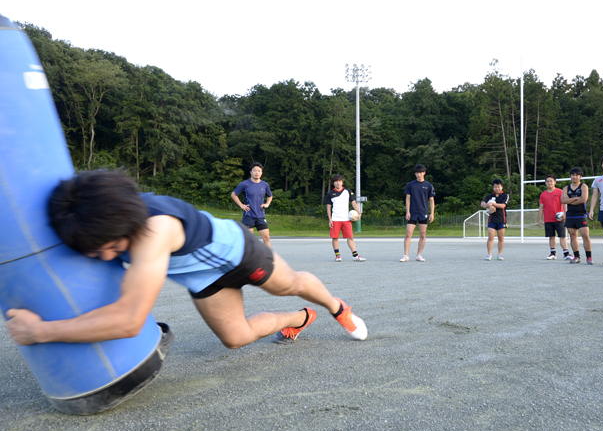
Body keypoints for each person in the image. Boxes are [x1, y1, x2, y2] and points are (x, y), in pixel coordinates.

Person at [5, 170, 367, 348]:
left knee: (290, 285)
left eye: (104, 246)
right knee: (235, 338)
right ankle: (302, 317)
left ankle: (337, 307)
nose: (102, 255)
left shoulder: (154, 230)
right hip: (204, 279)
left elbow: (130, 320)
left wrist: (41, 331)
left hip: (238, 253)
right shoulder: (103, 212)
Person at [324, 174, 365, 262]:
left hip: (346, 219)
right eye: (336, 181)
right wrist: (330, 219)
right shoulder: (330, 193)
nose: (338, 183)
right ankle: (337, 256)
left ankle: (355, 255)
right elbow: (328, 207)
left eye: (340, 181)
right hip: (335, 219)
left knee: (350, 237)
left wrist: (359, 212)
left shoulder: (348, 191)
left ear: (342, 182)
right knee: (335, 238)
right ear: (333, 183)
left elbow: (353, 203)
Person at [231, 162, 273, 248]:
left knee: (266, 238)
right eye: (255, 171)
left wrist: (267, 204)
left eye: (259, 171)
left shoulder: (264, 185)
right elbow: (233, 194)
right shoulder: (244, 184)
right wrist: (241, 205)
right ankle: (247, 259)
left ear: (261, 173)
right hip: (248, 215)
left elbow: (270, 196)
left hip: (260, 215)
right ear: (251, 172)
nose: (257, 172)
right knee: (248, 240)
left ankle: (268, 258)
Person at [400, 164, 435, 262]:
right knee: (408, 234)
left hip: (423, 212)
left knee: (422, 234)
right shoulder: (410, 185)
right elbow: (408, 198)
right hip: (412, 213)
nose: (419, 175)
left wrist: (432, 213)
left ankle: (419, 255)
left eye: (420, 172)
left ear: (424, 173)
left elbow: (431, 200)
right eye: (417, 173)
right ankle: (405, 255)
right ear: (415, 174)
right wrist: (408, 211)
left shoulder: (429, 186)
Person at [561, 167, 592, 264]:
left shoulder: (584, 186)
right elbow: (563, 201)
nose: (574, 177)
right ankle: (576, 256)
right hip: (570, 215)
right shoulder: (566, 188)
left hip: (580, 215)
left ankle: (589, 257)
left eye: (577, 175)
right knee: (572, 236)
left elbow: (583, 200)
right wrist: (576, 199)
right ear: (570, 176)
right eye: (573, 175)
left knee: (585, 235)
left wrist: (569, 200)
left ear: (580, 176)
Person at [537, 174, 571, 261]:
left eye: (551, 181)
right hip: (548, 219)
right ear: (545, 183)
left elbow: (564, 203)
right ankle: (552, 253)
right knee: (551, 236)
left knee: (562, 236)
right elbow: (541, 207)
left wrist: (565, 214)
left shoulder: (560, 192)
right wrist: (540, 219)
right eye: (547, 181)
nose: (549, 183)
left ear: (555, 182)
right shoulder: (543, 194)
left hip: (559, 219)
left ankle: (566, 253)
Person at [481, 178, 509, 261]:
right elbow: (482, 204)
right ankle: (489, 254)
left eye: (499, 187)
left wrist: (493, 204)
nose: (497, 188)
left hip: (501, 220)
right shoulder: (489, 196)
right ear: (493, 187)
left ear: (502, 187)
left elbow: (503, 206)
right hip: (492, 220)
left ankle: (499, 254)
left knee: (501, 237)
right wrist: (489, 206)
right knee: (490, 237)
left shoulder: (505, 196)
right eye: (495, 187)